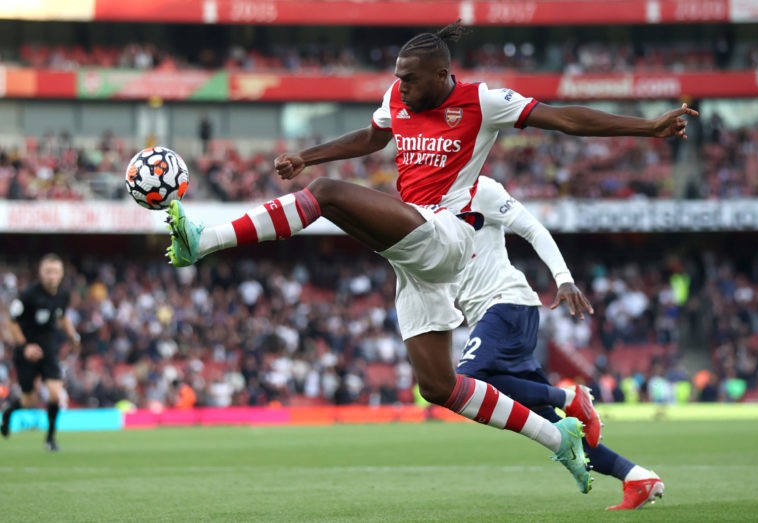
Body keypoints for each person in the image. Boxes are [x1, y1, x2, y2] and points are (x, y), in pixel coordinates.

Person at [165, 20, 697, 493]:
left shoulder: (482, 101)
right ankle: (556, 437)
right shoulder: (399, 99)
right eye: (397, 76)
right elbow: (372, 137)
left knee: (327, 193)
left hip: (447, 237)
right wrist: (308, 154)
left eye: (411, 78)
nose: (401, 86)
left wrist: (648, 127)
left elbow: (566, 119)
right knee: (438, 387)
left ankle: (203, 241)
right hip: (414, 257)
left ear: (442, 74)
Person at [455, 175, 664, 510]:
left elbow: (535, 229)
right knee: (549, 426)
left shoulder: (480, 190)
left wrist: (564, 279)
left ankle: (570, 396)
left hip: (505, 303)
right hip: (488, 314)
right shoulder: (424, 201)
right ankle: (636, 476)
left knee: (467, 383)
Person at [1, 253, 81, 451]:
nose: (52, 276)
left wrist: (73, 337)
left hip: (49, 351)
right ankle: (8, 413)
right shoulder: (28, 295)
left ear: (62, 274)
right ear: (41, 273)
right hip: (26, 352)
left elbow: (62, 318)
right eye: (48, 272)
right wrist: (25, 346)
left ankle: (50, 439)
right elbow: (11, 323)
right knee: (29, 400)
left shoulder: (63, 295)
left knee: (55, 393)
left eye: (56, 271)